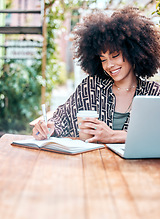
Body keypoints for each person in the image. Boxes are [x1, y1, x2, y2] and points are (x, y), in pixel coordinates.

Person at [33, 6, 160, 143]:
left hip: (135, 165)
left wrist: (114, 136)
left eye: (115, 55)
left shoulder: (153, 93)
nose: (109, 65)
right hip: (92, 162)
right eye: (103, 59)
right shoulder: (90, 88)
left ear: (134, 52)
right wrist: (49, 127)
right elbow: (62, 118)